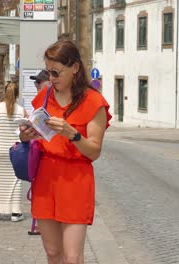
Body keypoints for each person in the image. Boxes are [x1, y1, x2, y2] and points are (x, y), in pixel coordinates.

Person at [19, 40, 111, 263]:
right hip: (45, 178)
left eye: (56, 72)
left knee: (72, 257)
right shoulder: (45, 97)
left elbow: (94, 151)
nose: (51, 78)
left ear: (75, 68)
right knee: (53, 253)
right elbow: (29, 135)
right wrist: (25, 135)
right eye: (48, 72)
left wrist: (74, 135)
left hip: (75, 181)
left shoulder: (93, 102)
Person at [0, 82, 28, 222]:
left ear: (5, 93)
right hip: (15, 151)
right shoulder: (21, 110)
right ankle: (15, 213)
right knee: (15, 181)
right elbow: (27, 128)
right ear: (17, 94)